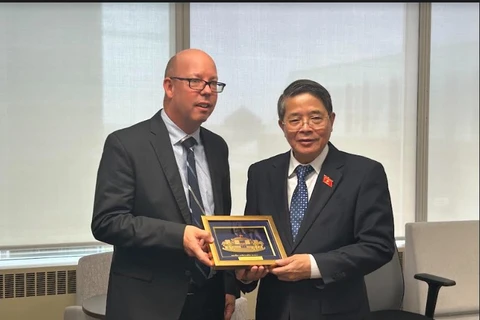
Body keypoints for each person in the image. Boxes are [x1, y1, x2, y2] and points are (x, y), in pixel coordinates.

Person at [91, 48, 239, 320]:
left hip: (210, 300)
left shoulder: (218, 147)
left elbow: (221, 221)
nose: (207, 91)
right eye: (196, 81)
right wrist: (179, 235)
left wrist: (229, 285)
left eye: (214, 83)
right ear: (169, 86)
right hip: (148, 304)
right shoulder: (126, 144)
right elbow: (107, 221)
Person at [236, 79, 395, 320]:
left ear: (331, 120)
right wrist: (245, 273)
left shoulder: (364, 173)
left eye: (316, 118)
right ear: (282, 125)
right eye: (295, 119)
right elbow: (254, 240)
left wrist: (313, 266)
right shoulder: (261, 173)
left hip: (337, 312)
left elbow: (378, 246)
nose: (305, 127)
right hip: (274, 311)